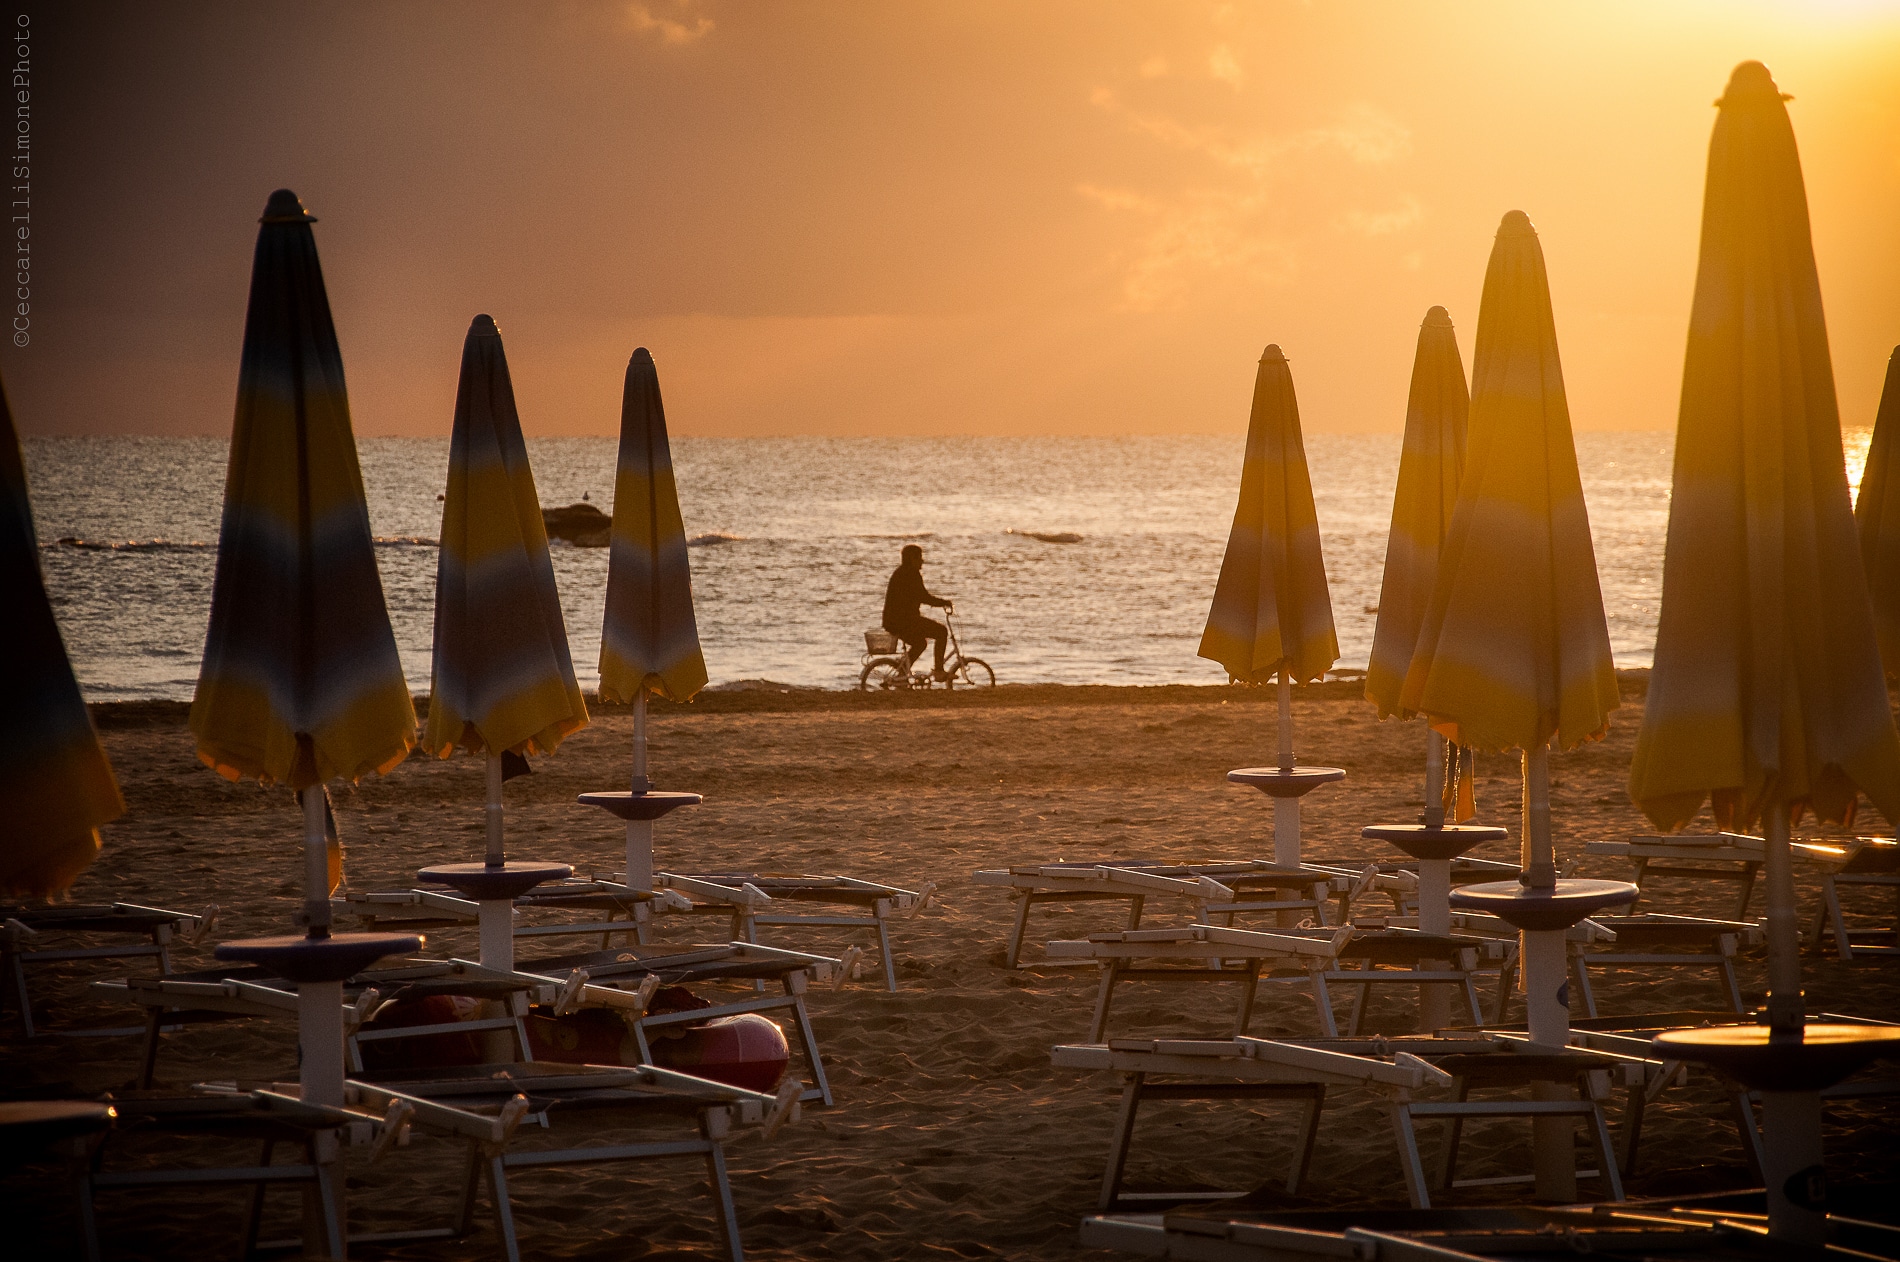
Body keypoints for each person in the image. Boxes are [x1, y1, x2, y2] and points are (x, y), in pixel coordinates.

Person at [882, 544, 953, 679]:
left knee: (920, 643)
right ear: (912, 559)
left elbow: (918, 597)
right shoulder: (911, 574)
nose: (922, 561)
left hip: (894, 621)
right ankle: (938, 670)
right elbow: (923, 597)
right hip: (903, 621)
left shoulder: (901, 572)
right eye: (919, 557)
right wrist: (943, 602)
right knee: (941, 632)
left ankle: (902, 672)